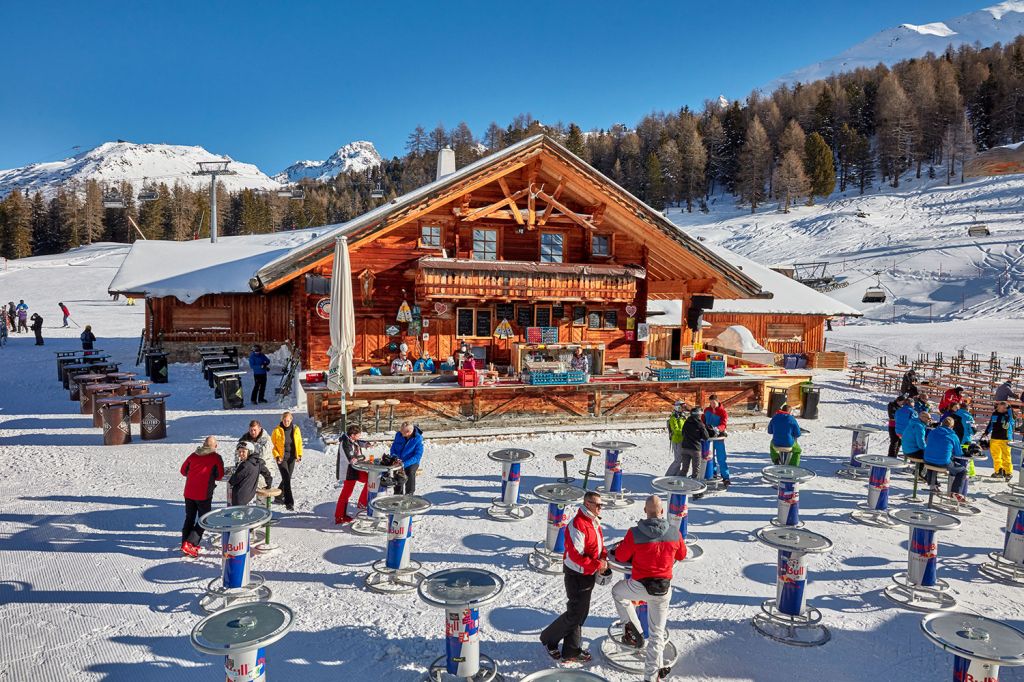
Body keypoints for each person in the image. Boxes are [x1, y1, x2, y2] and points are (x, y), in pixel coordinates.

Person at [612, 495, 686, 681]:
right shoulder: (674, 532)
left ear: (645, 511)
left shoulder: (634, 533)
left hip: (639, 586)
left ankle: (633, 628)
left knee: (618, 592)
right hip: (662, 589)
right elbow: (682, 554)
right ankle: (652, 676)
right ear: (662, 511)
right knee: (657, 634)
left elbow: (620, 556)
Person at [540, 490, 607, 664]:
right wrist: (596, 564)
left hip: (587, 573)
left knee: (580, 613)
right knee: (575, 614)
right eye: (597, 505)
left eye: (601, 505)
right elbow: (576, 555)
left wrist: (604, 556)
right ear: (587, 504)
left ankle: (570, 649)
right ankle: (550, 638)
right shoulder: (578, 524)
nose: (601, 508)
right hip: (576, 574)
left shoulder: (593, 522)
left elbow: (599, 544)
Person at [179, 436, 225, 557]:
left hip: (189, 492)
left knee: (189, 518)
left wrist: (194, 474)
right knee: (204, 519)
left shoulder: (193, 455)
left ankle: (185, 543)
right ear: (215, 446)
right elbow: (220, 475)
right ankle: (190, 544)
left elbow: (183, 471)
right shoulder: (216, 457)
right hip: (203, 494)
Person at [924, 417, 968, 502]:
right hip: (942, 462)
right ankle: (955, 492)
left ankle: (932, 483)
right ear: (952, 426)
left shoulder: (933, 432)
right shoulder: (952, 436)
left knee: (933, 458)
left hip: (927, 459)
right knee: (962, 471)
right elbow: (958, 453)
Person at [335, 425, 371, 523]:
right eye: (358, 435)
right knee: (346, 494)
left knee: (370, 480)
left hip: (356, 469)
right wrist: (364, 458)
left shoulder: (352, 440)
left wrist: (366, 444)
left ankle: (362, 503)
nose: (360, 436)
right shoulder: (345, 443)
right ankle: (339, 516)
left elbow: (358, 443)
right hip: (348, 472)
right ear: (352, 435)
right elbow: (352, 459)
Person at [666, 406, 712, 479]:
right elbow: (706, 437)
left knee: (684, 469)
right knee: (695, 471)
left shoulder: (686, 422)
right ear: (699, 415)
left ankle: (681, 483)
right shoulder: (700, 424)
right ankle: (694, 486)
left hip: (685, 448)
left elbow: (683, 433)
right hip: (695, 449)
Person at [271, 411, 303, 511]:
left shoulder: (296, 429)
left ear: (291, 420)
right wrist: (277, 457)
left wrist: (299, 454)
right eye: (284, 421)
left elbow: (299, 442)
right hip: (281, 458)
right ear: (282, 420)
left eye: (288, 420)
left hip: (292, 457)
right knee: (287, 479)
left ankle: (278, 497)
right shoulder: (276, 431)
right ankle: (289, 502)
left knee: (287, 478)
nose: (286, 422)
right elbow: (273, 446)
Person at [228, 441, 274, 506]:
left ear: (250, 452)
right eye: (239, 451)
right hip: (249, 497)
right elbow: (267, 474)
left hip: (240, 499)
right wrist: (268, 485)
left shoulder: (245, 465)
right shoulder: (257, 462)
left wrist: (232, 476)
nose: (241, 454)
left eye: (243, 452)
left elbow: (233, 481)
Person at [982, 401, 1016, 480]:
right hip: (995, 438)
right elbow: (991, 424)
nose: (1002, 409)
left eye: (1005, 407)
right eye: (1001, 407)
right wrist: (986, 432)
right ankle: (998, 471)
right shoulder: (994, 414)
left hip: (1006, 439)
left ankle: (1008, 473)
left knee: (1006, 456)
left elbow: (1012, 418)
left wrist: (1009, 408)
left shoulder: (1009, 415)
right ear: (998, 407)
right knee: (996, 456)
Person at [702, 395, 731, 487]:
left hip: (718, 437)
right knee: (710, 456)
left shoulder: (722, 412)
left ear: (718, 402)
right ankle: (712, 473)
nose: (712, 405)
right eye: (710, 403)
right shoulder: (707, 410)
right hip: (708, 437)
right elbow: (703, 420)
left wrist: (717, 429)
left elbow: (723, 424)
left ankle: (725, 477)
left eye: (714, 403)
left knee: (721, 457)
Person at [390, 421, 424, 495]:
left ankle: (410, 493)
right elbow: (393, 448)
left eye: (402, 431)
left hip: (411, 461)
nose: (400, 432)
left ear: (408, 432)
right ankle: (398, 494)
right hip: (398, 460)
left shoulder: (417, 439)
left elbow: (417, 456)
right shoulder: (398, 435)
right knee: (396, 471)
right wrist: (394, 457)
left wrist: (404, 464)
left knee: (410, 472)